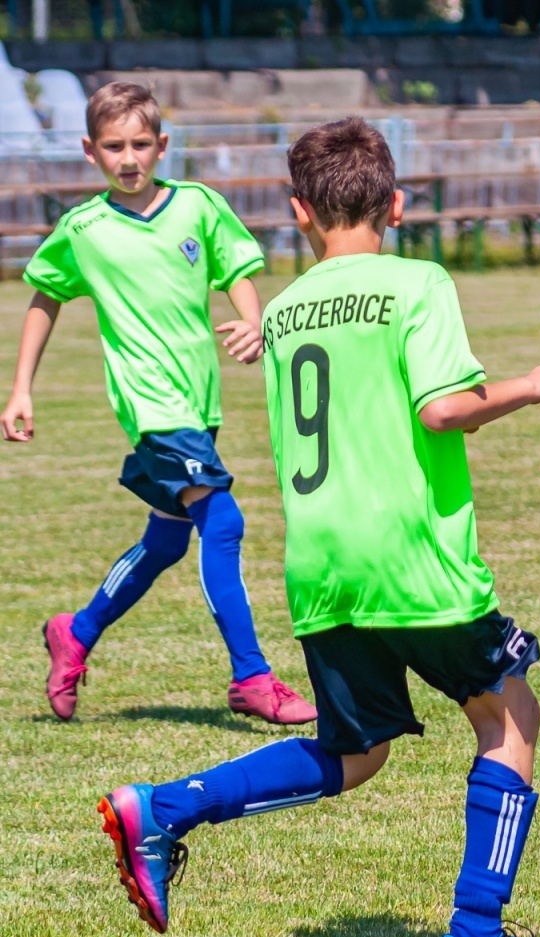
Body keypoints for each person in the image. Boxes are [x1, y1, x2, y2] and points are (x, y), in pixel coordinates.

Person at [96, 117, 540, 937]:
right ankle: (475, 934)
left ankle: (163, 808)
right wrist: (533, 385)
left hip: (322, 566)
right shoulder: (416, 282)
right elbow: (442, 408)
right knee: (510, 713)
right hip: (411, 556)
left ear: (297, 212)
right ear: (395, 203)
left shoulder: (281, 313)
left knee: (355, 755)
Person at [0, 82, 315, 725]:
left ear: (162, 146)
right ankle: (252, 677)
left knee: (169, 540)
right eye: (113, 146)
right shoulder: (82, 228)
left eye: (141, 144)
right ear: (90, 151)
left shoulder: (198, 207)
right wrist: (21, 387)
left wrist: (253, 322)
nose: (129, 157)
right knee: (222, 524)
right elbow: (46, 296)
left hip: (199, 405)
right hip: (150, 407)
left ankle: (77, 631)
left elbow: (236, 273)